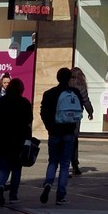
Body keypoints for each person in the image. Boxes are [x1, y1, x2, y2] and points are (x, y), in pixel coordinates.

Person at [39, 68, 81, 206]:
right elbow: (79, 111)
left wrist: (49, 127)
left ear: (57, 78)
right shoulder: (75, 93)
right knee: (64, 165)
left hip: (54, 132)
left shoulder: (49, 93)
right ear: (69, 78)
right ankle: (60, 195)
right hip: (69, 132)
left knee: (52, 162)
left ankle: (48, 183)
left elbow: (43, 112)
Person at [0, 77, 32, 206]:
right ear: (21, 89)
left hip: (3, 139)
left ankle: (1, 185)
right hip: (18, 140)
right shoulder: (25, 103)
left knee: (4, 166)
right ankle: (13, 195)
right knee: (16, 168)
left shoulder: (1, 102)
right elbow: (28, 122)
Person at [69, 69, 95, 175]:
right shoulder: (81, 86)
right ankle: (75, 164)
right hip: (75, 116)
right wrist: (90, 112)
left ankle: (63, 164)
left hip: (63, 117)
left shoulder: (66, 85)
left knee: (65, 140)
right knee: (74, 140)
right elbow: (86, 100)